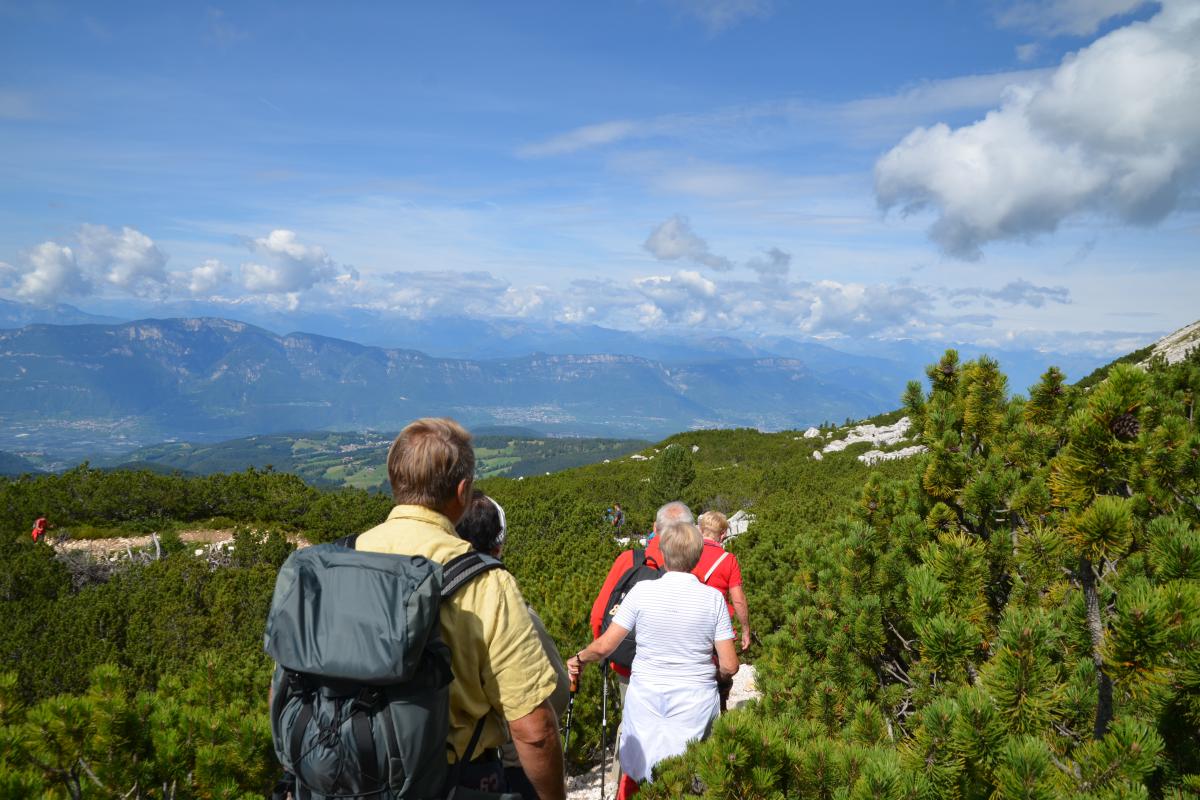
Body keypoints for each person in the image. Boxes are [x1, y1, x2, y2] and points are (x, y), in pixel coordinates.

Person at [355, 418, 566, 800]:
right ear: (462, 491)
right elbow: (534, 731)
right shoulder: (485, 583)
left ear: (394, 481)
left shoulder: (342, 558)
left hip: (348, 775)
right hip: (454, 780)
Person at [568, 522, 738, 799]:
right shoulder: (713, 599)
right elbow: (729, 665)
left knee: (639, 773)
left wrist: (579, 658)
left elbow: (605, 645)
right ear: (696, 557)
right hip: (695, 703)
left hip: (646, 699)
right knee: (689, 778)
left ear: (664, 553)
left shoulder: (642, 592)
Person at [455, 490, 571, 800]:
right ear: (499, 544)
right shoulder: (506, 606)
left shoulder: (425, 588)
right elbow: (552, 701)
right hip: (499, 765)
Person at [587, 501, 693, 789]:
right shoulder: (696, 561)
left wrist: (604, 651)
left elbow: (600, 614)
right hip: (681, 667)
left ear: (654, 528)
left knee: (633, 725)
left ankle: (627, 783)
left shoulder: (630, 559)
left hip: (628, 664)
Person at [694, 511, 752, 712]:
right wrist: (745, 629)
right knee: (723, 671)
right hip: (719, 625)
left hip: (691, 622)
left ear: (700, 530)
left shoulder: (688, 555)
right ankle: (720, 710)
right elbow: (738, 599)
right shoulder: (728, 560)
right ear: (724, 534)